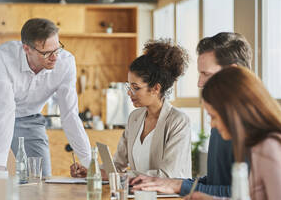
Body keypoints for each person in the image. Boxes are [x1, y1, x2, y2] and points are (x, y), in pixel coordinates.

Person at [131, 32, 252, 197]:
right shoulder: (220, 123)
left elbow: (245, 195)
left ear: (233, 72)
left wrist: (179, 186)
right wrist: (172, 183)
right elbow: (215, 183)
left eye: (206, 74)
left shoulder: (252, 125)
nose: (199, 83)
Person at [184, 66, 281, 200]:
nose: (212, 124)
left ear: (233, 112)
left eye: (213, 116)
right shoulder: (257, 145)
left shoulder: (272, 147)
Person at [0, 18, 91, 176]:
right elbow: (5, 110)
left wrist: (88, 163)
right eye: (47, 53)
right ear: (27, 49)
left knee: (41, 176)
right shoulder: (3, 57)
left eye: (57, 49)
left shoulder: (65, 63)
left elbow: (70, 115)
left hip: (30, 116)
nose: (55, 57)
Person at [71, 39, 192, 178]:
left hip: (168, 198)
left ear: (156, 88)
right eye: (129, 86)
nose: (129, 93)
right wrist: (92, 171)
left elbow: (168, 175)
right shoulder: (135, 117)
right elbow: (117, 165)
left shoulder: (178, 121)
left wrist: (125, 176)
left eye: (136, 88)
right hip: (138, 195)